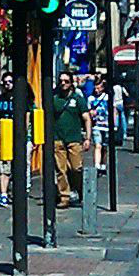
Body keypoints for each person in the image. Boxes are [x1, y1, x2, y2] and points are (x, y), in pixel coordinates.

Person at [54, 69, 92, 208]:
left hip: (74, 139)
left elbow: (86, 118)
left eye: (66, 81)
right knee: (61, 169)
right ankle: (64, 197)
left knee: (76, 168)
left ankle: (80, 190)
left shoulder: (78, 99)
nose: (63, 84)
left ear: (71, 83)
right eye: (61, 81)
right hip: (57, 138)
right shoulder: (54, 98)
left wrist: (87, 138)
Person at [0, 80, 20, 206]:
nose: (8, 84)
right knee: (4, 167)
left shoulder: (21, 99)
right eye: (5, 82)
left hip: (18, 137)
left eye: (10, 81)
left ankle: (18, 193)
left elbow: (27, 116)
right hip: (4, 136)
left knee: (19, 166)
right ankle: (3, 194)